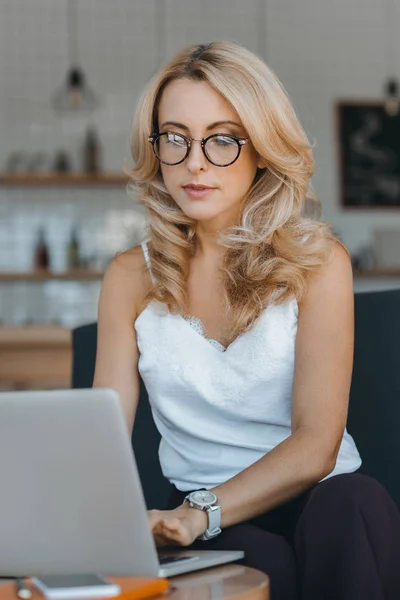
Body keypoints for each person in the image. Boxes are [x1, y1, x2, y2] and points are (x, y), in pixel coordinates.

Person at [93, 41, 400, 599]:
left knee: (352, 507)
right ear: (155, 147)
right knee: (258, 565)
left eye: (223, 139)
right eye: (175, 137)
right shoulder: (128, 278)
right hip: (200, 511)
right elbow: (98, 439)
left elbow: (316, 446)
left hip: (320, 498)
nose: (195, 162)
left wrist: (197, 514)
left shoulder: (319, 262)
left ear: (261, 148)